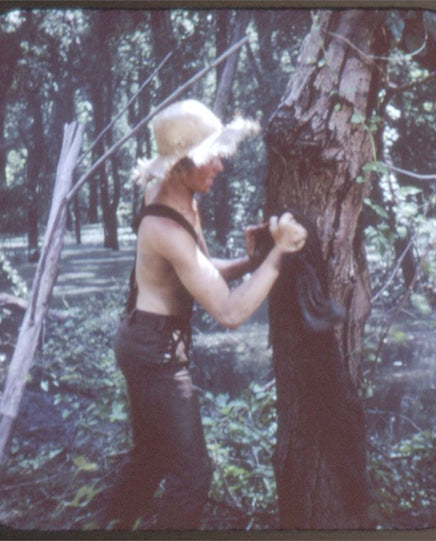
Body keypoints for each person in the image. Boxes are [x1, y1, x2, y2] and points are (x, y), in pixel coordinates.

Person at [105, 99, 307, 530]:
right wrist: (281, 255)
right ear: (183, 163)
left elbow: (199, 271)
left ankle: (106, 525)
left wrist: (252, 262)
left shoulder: (177, 199)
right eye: (212, 155)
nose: (220, 164)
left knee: (151, 456)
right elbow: (230, 311)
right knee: (194, 475)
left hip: (146, 340)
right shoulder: (164, 225)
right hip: (152, 352)